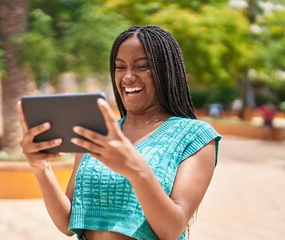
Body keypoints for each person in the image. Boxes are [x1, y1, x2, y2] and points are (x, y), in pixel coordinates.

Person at [18, 25, 221, 240]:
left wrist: (134, 170)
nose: (128, 77)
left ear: (166, 71)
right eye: (119, 67)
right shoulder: (97, 133)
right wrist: (41, 168)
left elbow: (171, 229)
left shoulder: (194, 136)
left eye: (142, 66)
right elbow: (68, 223)